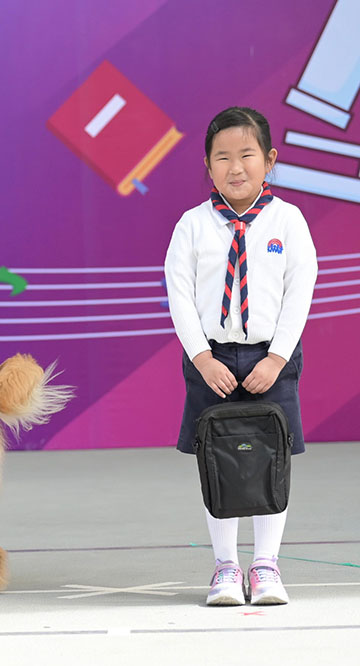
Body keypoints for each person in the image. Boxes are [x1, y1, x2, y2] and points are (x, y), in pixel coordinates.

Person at [165, 106, 318, 606]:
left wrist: (276, 357)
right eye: (222, 157)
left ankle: (267, 565)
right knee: (219, 461)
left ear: (269, 160)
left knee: (270, 460)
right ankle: (227, 567)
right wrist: (202, 358)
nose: (236, 167)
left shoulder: (288, 221)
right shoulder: (192, 226)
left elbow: (300, 289)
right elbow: (180, 295)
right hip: (212, 362)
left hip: (270, 360)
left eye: (247, 155)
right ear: (207, 166)